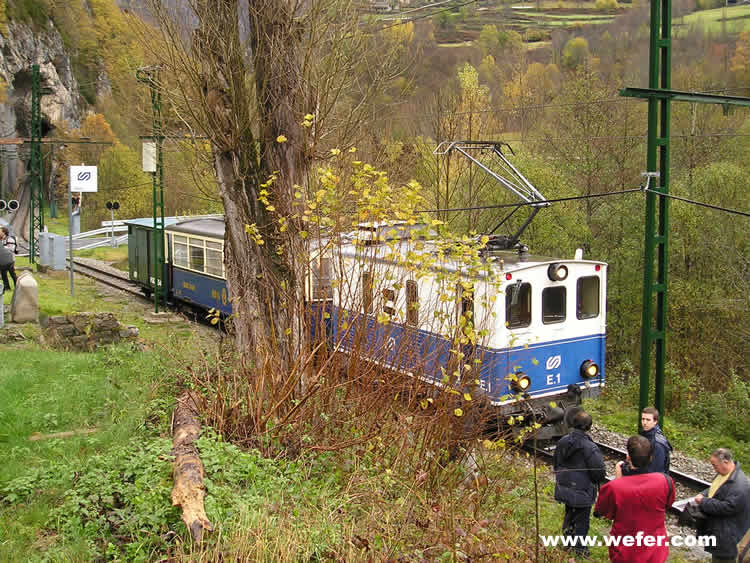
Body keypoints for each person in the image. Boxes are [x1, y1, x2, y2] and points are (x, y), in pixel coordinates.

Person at [595, 435, 675, 563]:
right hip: (655, 548)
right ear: (651, 458)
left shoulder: (613, 487)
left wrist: (619, 480)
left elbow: (602, 512)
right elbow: (668, 504)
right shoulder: (666, 481)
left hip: (625, 550)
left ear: (628, 457)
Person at [553, 410, 607, 557]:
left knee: (569, 514)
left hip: (565, 486)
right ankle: (580, 550)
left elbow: (556, 463)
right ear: (588, 427)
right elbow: (598, 472)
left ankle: (567, 543)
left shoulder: (563, 441)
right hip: (582, 490)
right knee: (582, 521)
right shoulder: (590, 447)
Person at [694, 448, 750, 563]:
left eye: (715, 465)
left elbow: (727, 507)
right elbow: (714, 488)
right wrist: (703, 493)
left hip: (728, 538)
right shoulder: (724, 474)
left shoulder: (739, 485)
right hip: (720, 531)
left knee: (722, 559)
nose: (714, 468)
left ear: (725, 462)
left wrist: (703, 501)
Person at [620, 406, 672, 476]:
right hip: (645, 473)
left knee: (619, 467)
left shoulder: (657, 444)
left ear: (655, 421)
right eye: (643, 419)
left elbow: (655, 470)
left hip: (652, 479)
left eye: (648, 420)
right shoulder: (646, 434)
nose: (644, 422)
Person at [0, 226, 17, 293]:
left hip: (10, 259)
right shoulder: (1, 240)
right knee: (3, 274)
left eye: (0, 231)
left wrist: (3, 248)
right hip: (3, 260)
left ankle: (17, 286)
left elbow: (11, 249)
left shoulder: (10, 239)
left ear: (4, 232)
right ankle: (7, 287)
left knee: (12, 274)